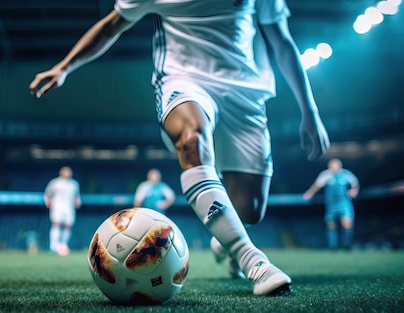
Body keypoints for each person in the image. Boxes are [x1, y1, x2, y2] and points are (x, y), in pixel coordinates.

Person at [29, 0, 330, 296]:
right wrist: (65, 67)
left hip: (246, 92)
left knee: (250, 210)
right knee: (191, 139)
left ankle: (225, 236)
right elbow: (111, 25)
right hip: (183, 79)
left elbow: (281, 40)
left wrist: (310, 110)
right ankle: (254, 261)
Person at [303, 158, 359, 250]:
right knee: (331, 224)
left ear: (339, 165)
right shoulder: (326, 175)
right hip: (331, 204)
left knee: (347, 223)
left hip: (344, 202)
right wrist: (309, 193)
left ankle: (346, 245)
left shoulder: (346, 174)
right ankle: (333, 247)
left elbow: (355, 184)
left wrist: (354, 191)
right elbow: (316, 186)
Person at [44, 166, 81, 256]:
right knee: (56, 224)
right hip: (57, 207)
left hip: (69, 208)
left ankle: (63, 245)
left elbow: (76, 196)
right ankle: (53, 246)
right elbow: (47, 193)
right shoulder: (55, 182)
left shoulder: (74, 184)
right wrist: (47, 202)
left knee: (68, 226)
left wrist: (77, 202)